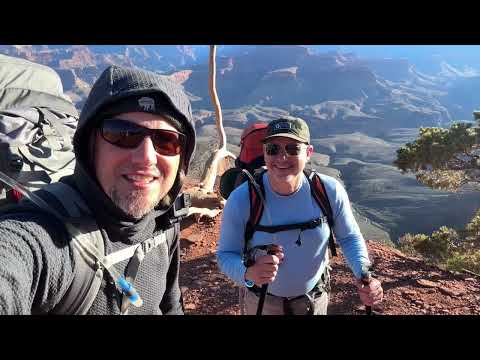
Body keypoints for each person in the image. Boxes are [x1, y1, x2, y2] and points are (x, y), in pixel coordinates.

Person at [0, 65, 196, 315]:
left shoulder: (164, 221)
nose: (146, 158)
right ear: (90, 145)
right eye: (123, 134)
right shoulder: (47, 236)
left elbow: (170, 306)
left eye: (166, 141)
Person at [217, 116, 383, 315]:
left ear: (309, 152)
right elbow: (226, 255)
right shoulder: (242, 199)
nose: (282, 157)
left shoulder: (328, 191)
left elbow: (349, 237)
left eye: (293, 149)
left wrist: (364, 273)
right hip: (261, 302)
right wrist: (248, 272)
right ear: (264, 152)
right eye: (273, 149)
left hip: (313, 300)